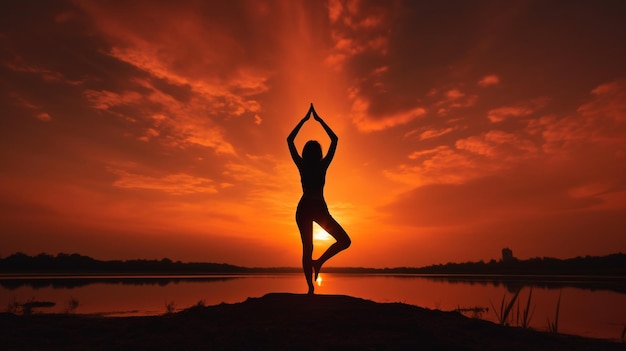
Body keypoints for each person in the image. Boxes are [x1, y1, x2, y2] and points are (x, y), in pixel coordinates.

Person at [287, 103, 351, 294]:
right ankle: (310, 286)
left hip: (312, 208)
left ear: (307, 152)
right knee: (310, 247)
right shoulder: (315, 165)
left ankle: (317, 268)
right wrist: (319, 121)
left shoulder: (306, 165)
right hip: (309, 208)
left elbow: (290, 140)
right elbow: (335, 139)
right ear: (317, 153)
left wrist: (305, 121)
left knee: (334, 242)